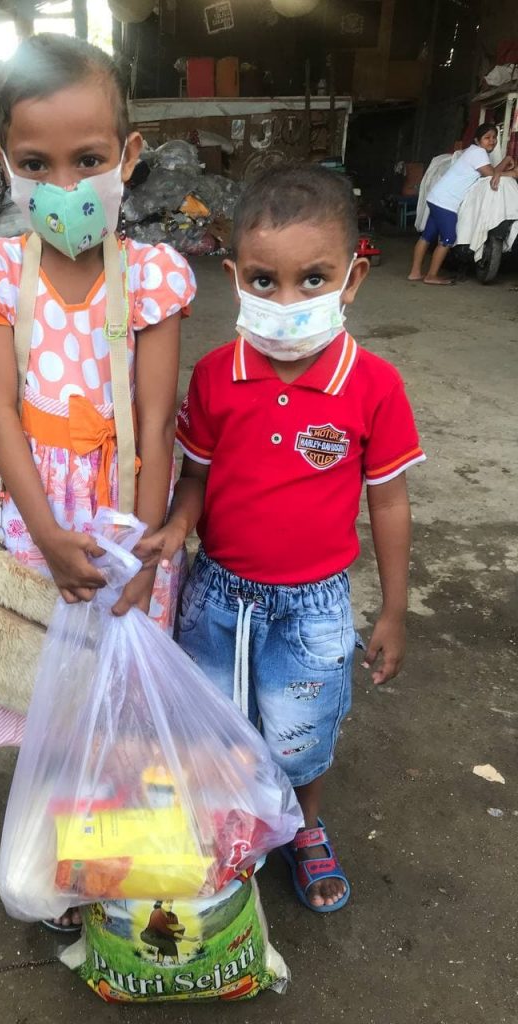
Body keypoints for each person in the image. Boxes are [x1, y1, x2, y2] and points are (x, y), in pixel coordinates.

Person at [0, 34, 196, 931]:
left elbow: (159, 422)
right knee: (38, 683)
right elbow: (0, 411)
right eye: (35, 163)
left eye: (88, 160)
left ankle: (108, 852)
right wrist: (47, 534)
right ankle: (51, 862)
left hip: (123, 507)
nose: (64, 183)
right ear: (4, 166)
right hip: (27, 511)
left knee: (113, 695)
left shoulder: (154, 278)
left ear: (127, 159)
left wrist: (139, 546)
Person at [137, 165, 425, 913]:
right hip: (218, 593)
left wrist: (393, 611)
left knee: (302, 737)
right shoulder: (212, 377)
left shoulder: (374, 386)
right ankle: (229, 821)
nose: (286, 301)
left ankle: (303, 826)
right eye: (264, 281)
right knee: (215, 726)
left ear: (352, 279)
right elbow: (195, 477)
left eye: (314, 279)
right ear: (233, 277)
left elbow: (388, 503)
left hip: (316, 607)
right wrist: (176, 525)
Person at [408, 122, 515, 284]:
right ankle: (431, 276)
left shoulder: (474, 152)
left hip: (436, 197)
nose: (492, 141)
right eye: (487, 138)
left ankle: (415, 273)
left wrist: (506, 159)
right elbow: (492, 174)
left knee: (427, 236)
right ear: (478, 141)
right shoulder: (479, 153)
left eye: (494, 138)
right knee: (449, 239)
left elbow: (492, 173)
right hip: (446, 202)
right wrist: (513, 173)